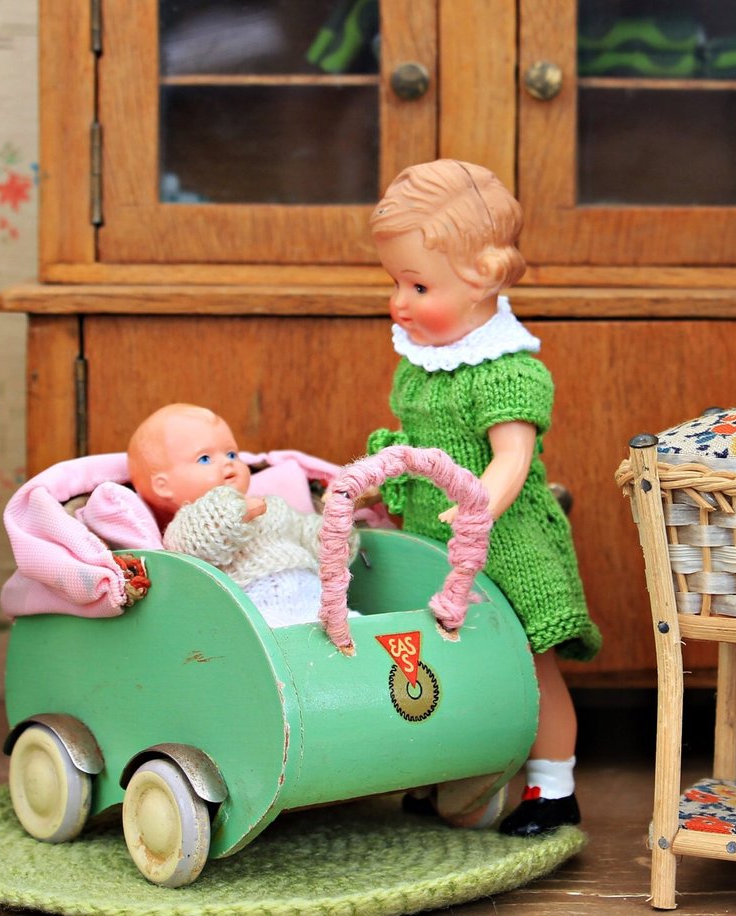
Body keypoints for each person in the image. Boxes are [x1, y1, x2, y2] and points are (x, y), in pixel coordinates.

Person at [367, 159, 601, 837]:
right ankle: (457, 770)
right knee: (445, 660)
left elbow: (512, 458)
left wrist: (479, 503)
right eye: (395, 283)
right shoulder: (420, 364)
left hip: (506, 547)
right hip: (433, 544)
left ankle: (553, 787)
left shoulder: (508, 371)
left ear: (482, 280)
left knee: (531, 664)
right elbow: (414, 441)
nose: (401, 302)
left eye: (418, 285)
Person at [128, 403, 353, 628]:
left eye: (232, 453)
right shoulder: (185, 523)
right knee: (287, 641)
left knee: (359, 630)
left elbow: (304, 533)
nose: (228, 462)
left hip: (315, 596)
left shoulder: (273, 504)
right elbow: (199, 541)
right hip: (255, 607)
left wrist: (333, 533)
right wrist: (231, 513)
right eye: (205, 459)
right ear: (163, 486)